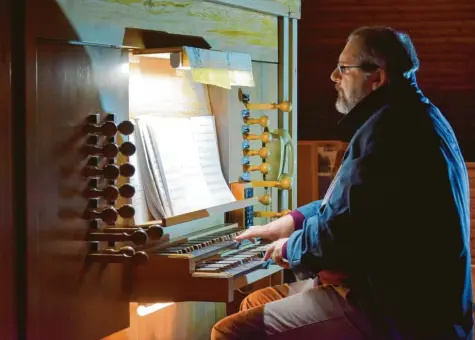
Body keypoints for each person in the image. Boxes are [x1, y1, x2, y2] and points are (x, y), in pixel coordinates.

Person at [211, 26, 473, 339]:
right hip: (398, 296)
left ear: (376, 78)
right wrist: (290, 222)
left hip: (398, 311)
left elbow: (339, 235)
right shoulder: (407, 115)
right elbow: (350, 205)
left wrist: (290, 247)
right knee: (257, 300)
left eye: (344, 69)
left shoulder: (391, 132)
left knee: (231, 332)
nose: (334, 77)